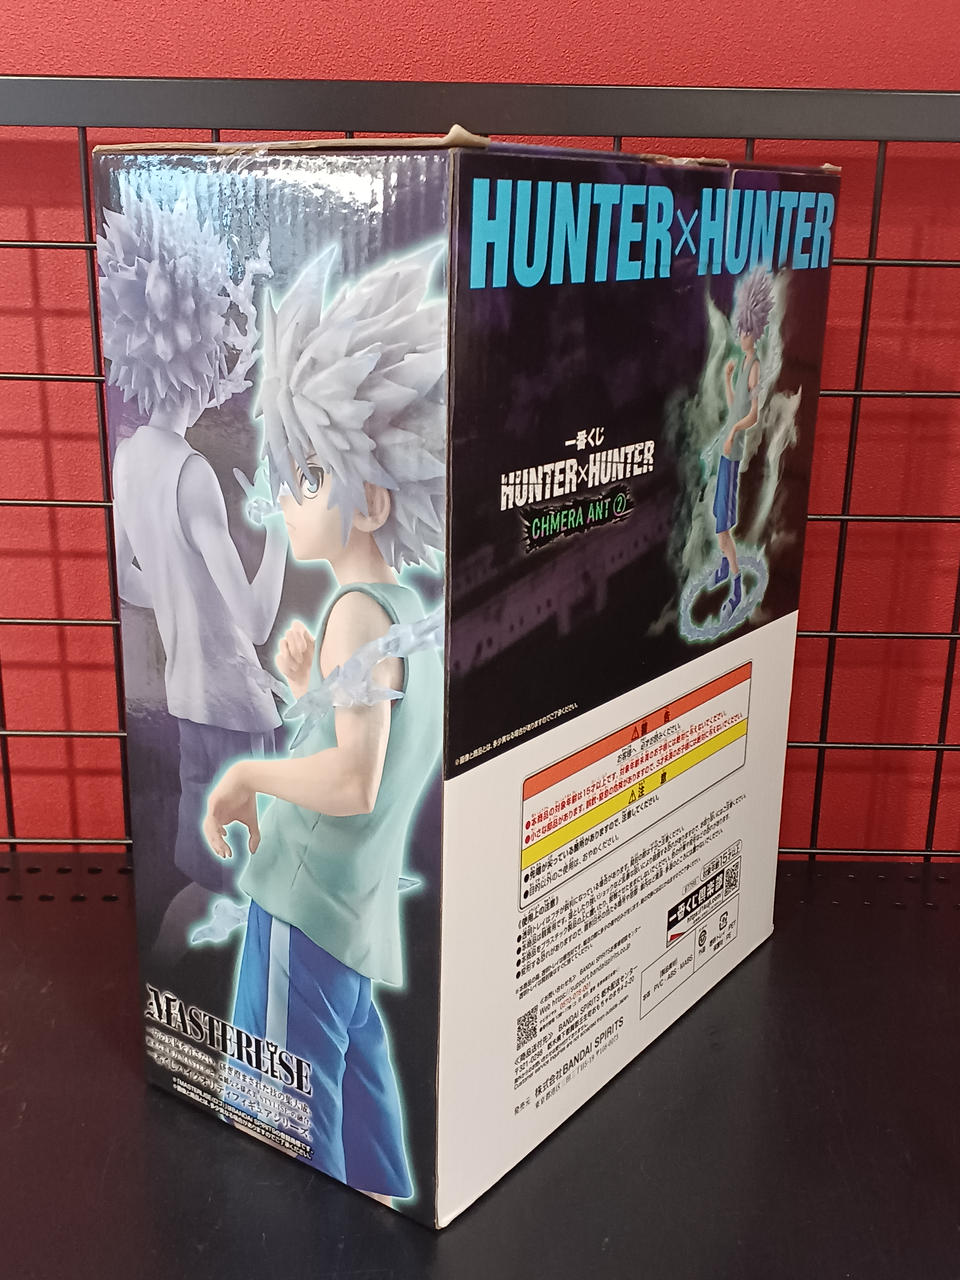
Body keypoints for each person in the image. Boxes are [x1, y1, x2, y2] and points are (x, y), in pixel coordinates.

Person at [202, 244, 446, 1203]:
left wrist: (247, 775)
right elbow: (384, 735)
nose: (289, 497)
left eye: (309, 477)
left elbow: (354, 778)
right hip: (351, 918)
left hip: (304, 912)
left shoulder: (356, 613)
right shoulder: (402, 614)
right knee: (359, 1100)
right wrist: (310, 685)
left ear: (372, 499)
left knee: (281, 1122)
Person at [98, 183, 287, 960]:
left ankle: (173, 983)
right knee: (254, 883)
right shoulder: (192, 473)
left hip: (187, 702)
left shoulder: (128, 459)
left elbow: (128, 582)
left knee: (209, 878)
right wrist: (279, 535)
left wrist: (186, 607)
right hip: (238, 712)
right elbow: (256, 621)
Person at [712, 266, 774, 616]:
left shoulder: (755, 367)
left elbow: (752, 415)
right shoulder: (744, 363)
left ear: (753, 330)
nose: (740, 335)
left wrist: (734, 432)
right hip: (726, 449)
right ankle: (724, 566)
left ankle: (735, 586)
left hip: (732, 452)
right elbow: (735, 407)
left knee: (723, 528)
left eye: (744, 330)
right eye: (739, 329)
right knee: (718, 518)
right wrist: (726, 380)